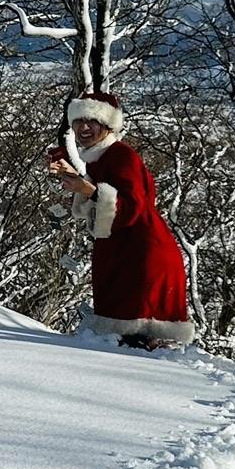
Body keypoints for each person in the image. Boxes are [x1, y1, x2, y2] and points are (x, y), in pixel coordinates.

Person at [46, 91, 194, 348]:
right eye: (79, 121)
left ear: (108, 125)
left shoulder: (121, 156)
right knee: (127, 343)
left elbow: (132, 207)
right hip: (127, 255)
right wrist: (79, 182)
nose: (84, 127)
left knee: (134, 344)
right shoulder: (100, 158)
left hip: (141, 257)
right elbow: (102, 200)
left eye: (92, 121)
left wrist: (88, 190)